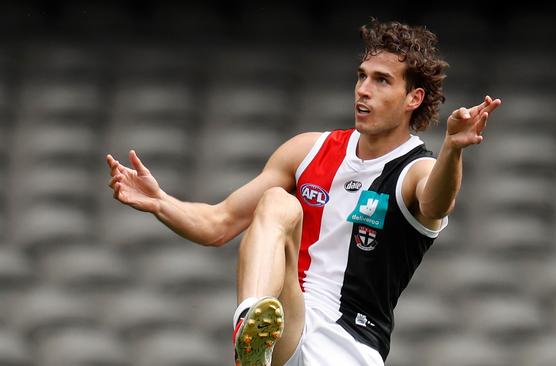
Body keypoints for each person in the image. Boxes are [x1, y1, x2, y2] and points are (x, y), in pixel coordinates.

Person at [106, 18, 501, 366]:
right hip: (289, 324)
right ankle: (250, 330)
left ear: (413, 98)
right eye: (361, 76)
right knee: (278, 203)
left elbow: (437, 202)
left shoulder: (417, 170)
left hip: (348, 347)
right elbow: (219, 223)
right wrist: (161, 201)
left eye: (381, 80)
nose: (363, 89)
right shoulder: (307, 150)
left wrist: (453, 148)